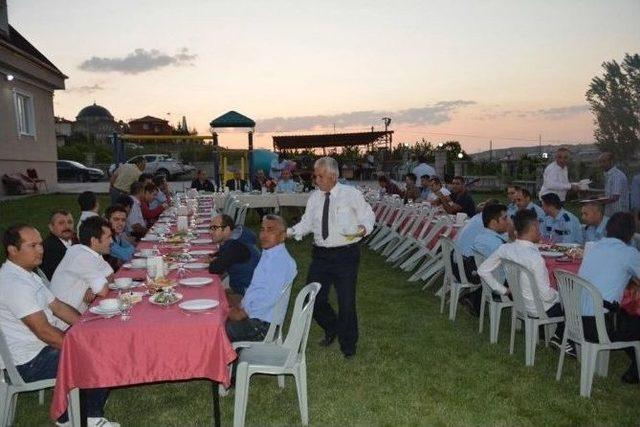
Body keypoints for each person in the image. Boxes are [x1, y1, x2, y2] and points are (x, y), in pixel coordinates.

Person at [0, 224, 115, 427]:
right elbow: (43, 331)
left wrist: (86, 328)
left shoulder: (28, 275)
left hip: (40, 349)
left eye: (40, 244)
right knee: (98, 355)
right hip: (29, 362)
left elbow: (59, 307)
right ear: (12, 250)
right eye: (32, 245)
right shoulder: (13, 283)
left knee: (101, 338)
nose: (40, 249)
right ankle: (84, 418)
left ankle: (87, 398)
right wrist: (81, 346)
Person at [288, 157, 375, 358]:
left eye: (320, 176)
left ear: (333, 176)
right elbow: (307, 223)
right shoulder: (314, 198)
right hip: (321, 255)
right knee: (313, 298)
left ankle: (349, 345)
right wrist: (289, 232)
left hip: (346, 255)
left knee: (346, 302)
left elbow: (368, 215)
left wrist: (363, 228)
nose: (316, 180)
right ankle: (332, 326)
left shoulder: (351, 194)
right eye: (315, 175)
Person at [477, 209, 571, 355]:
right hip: (538, 308)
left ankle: (556, 335)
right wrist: (560, 296)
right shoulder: (536, 259)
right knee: (571, 304)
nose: (540, 231)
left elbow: (482, 270)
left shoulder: (505, 248)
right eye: (538, 227)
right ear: (533, 228)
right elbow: (546, 295)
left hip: (519, 303)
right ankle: (563, 340)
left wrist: (503, 290)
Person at [578, 212, 640, 383]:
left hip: (576, 321)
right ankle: (635, 371)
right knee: (634, 323)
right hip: (600, 325)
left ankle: (635, 370)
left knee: (630, 323)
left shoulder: (593, 247)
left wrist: (633, 283)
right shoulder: (629, 253)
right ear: (630, 233)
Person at [226, 215, 297, 342]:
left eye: (270, 230)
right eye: (262, 229)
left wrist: (243, 313)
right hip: (257, 316)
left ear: (283, 235)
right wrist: (242, 304)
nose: (264, 235)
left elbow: (270, 297)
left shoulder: (280, 261)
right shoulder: (270, 253)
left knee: (219, 328)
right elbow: (258, 288)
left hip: (263, 326)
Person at [50, 216, 114, 318]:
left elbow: (111, 275)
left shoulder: (89, 252)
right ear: (94, 241)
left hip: (81, 313)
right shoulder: (82, 256)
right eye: (109, 237)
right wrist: (97, 288)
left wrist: (91, 288)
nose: (112, 241)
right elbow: (103, 291)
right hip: (66, 323)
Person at [460, 203, 510, 315]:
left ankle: (473, 297)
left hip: (487, 281)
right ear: (493, 222)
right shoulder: (497, 245)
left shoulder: (481, 236)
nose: (508, 221)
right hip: (499, 285)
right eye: (505, 218)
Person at [208, 214, 261, 296]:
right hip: (246, 287)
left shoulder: (234, 247)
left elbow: (214, 269)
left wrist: (213, 260)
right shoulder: (238, 237)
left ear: (227, 229)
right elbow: (223, 253)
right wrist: (213, 256)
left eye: (214, 228)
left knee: (211, 296)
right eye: (210, 228)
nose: (210, 232)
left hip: (248, 294)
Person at [41, 210, 75, 281]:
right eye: (61, 223)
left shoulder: (77, 240)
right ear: (51, 227)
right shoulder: (48, 249)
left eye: (70, 222)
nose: (67, 226)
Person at [104, 204, 135, 269]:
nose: (120, 223)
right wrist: (124, 252)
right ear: (107, 220)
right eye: (116, 219)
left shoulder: (118, 234)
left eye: (123, 220)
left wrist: (123, 252)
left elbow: (132, 249)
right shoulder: (105, 237)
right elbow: (126, 255)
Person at [599, 152, 629, 216]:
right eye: (600, 162)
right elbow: (609, 193)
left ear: (611, 162)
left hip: (618, 213)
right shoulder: (609, 175)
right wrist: (596, 197)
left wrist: (598, 202)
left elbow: (615, 197)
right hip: (611, 213)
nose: (601, 164)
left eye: (604, 161)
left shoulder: (616, 175)